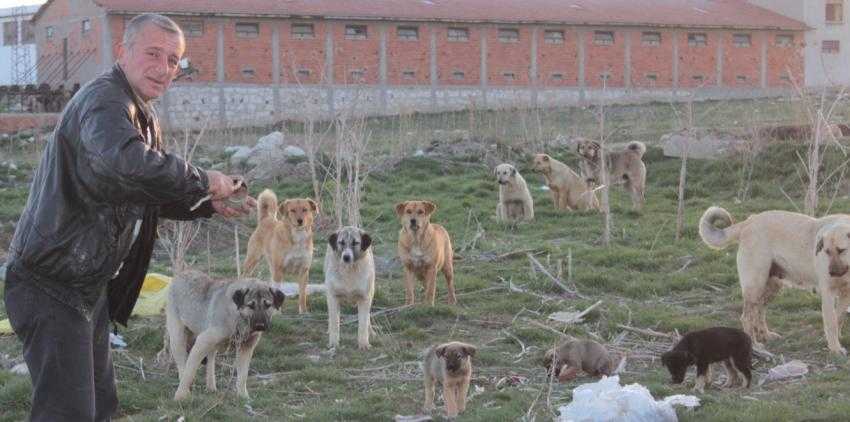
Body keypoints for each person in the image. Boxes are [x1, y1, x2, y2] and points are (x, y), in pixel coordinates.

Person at [3, 14, 252, 421]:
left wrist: (205, 202)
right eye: (154, 53)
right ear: (123, 52)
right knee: (67, 413)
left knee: (101, 408)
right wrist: (204, 177)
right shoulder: (104, 102)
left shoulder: (139, 113)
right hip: (50, 283)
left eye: (174, 60)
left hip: (85, 284)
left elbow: (140, 192)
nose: (164, 68)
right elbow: (125, 164)